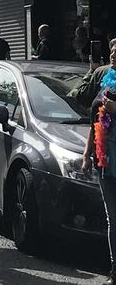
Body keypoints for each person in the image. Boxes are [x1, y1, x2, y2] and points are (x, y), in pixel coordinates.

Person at [83, 42, 116, 285]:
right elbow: (95, 121)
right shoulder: (107, 80)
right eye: (112, 52)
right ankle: (115, 270)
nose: (112, 56)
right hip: (105, 161)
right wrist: (87, 154)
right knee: (112, 218)